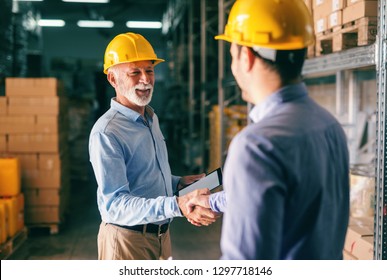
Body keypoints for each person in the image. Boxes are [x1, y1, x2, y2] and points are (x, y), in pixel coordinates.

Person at [186, 0, 350, 260]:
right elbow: (283, 199)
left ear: (246, 57)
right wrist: (213, 201)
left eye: (231, 55)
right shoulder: (329, 126)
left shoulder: (255, 146)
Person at [89, 32, 218, 260]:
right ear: (112, 79)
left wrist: (177, 183)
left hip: (161, 236)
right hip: (127, 242)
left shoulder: (150, 117)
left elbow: (144, 177)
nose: (145, 80)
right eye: (134, 73)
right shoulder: (107, 132)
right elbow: (115, 205)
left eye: (149, 70)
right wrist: (177, 205)